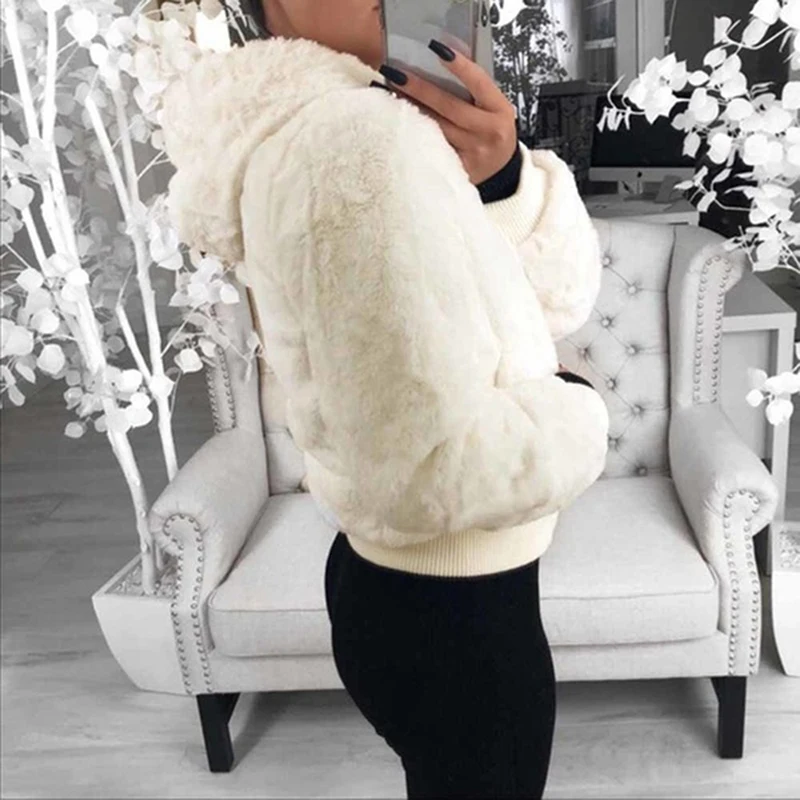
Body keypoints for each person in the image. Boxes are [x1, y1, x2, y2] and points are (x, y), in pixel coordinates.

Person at [159, 1, 610, 796]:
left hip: (419, 597)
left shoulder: (359, 121)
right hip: (456, 614)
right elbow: (426, 467)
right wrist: (578, 406)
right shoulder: (356, 139)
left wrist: (502, 180)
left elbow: (544, 301)